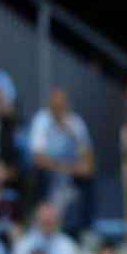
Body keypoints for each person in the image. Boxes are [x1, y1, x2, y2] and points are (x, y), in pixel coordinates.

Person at [29, 89, 95, 233]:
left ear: (66, 105)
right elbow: (38, 158)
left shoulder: (76, 123)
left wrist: (79, 168)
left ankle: (86, 228)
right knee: (36, 175)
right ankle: (37, 222)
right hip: (49, 173)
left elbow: (88, 159)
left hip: (70, 173)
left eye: (62, 106)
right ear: (50, 106)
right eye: (55, 106)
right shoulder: (41, 121)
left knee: (89, 179)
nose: (59, 109)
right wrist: (63, 167)